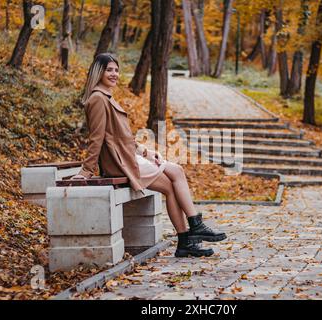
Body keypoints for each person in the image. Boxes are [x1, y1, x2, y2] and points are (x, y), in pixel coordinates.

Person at [71, 53, 227, 257]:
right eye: (109, 69)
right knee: (177, 170)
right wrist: (86, 171)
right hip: (120, 162)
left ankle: (184, 242)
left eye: (116, 70)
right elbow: (96, 138)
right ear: (99, 71)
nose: (114, 74)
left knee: (171, 187)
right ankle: (195, 223)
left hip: (128, 157)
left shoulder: (106, 97)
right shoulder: (98, 99)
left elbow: (122, 137)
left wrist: (146, 151)